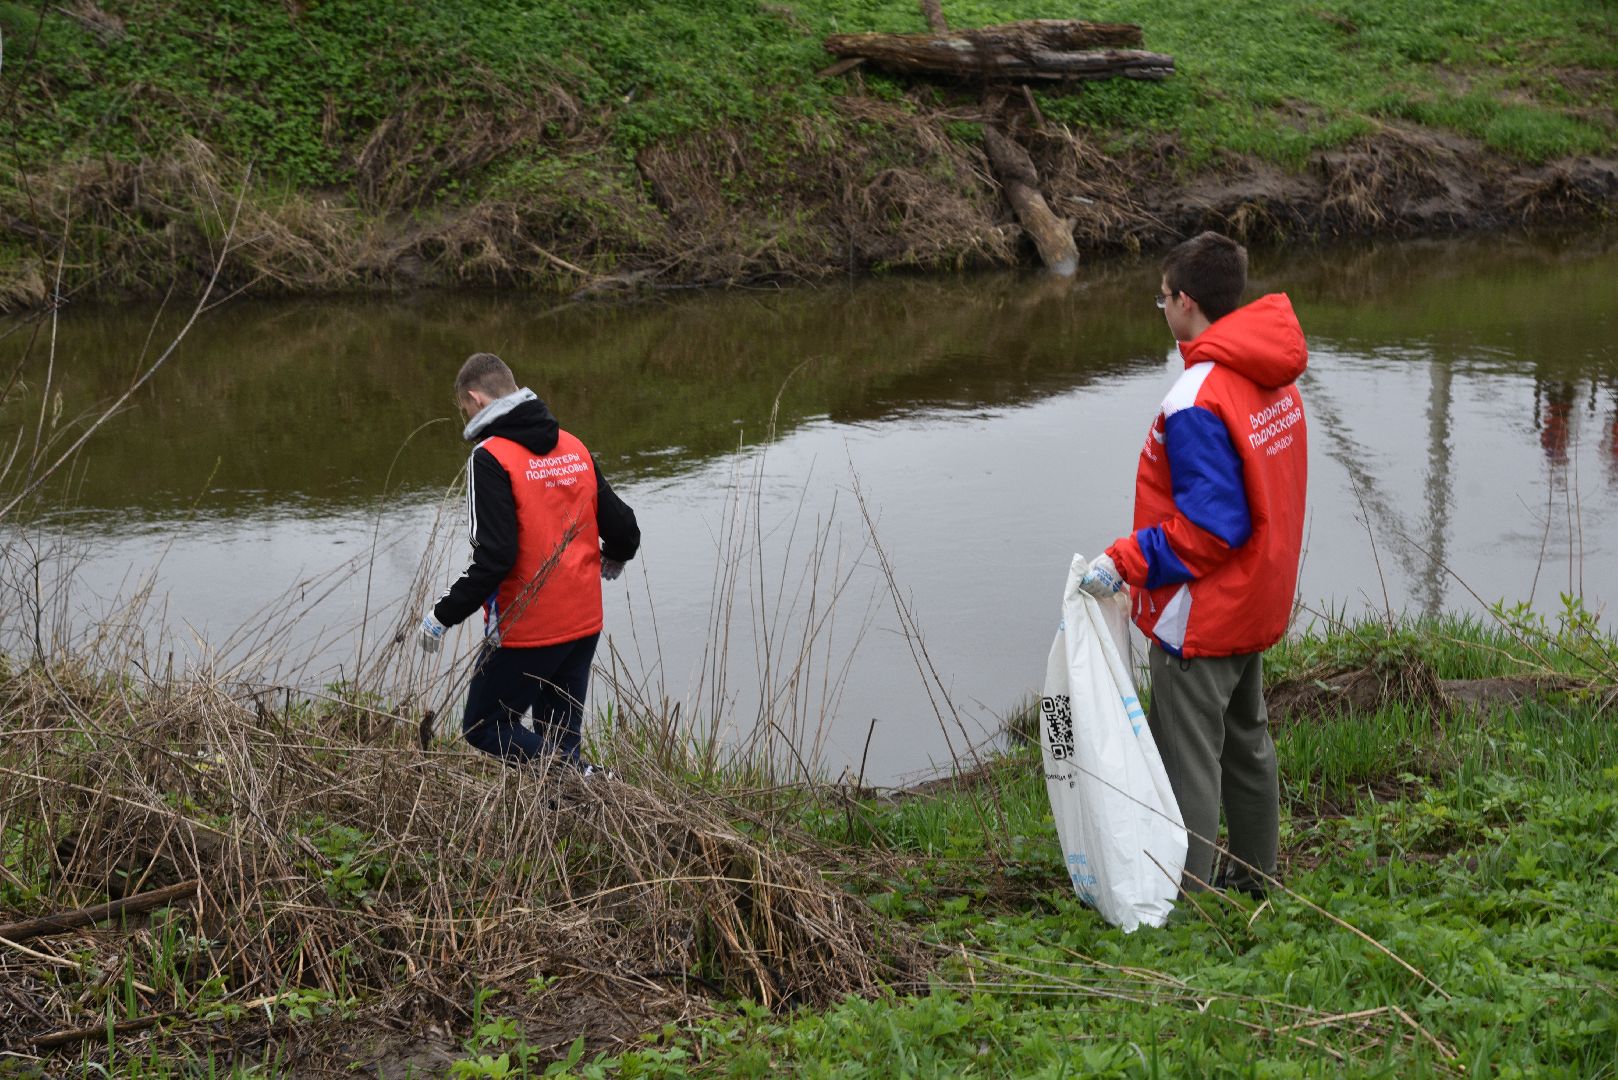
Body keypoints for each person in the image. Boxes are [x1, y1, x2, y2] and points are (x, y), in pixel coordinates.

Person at [1078, 231, 1308, 897]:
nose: (1163, 309)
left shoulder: (1196, 397)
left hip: (1201, 613)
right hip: (1257, 595)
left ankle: (1187, 902)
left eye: (1162, 299)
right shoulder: (1272, 376)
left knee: (1188, 765)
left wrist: (1126, 560)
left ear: (1185, 302)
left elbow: (1210, 528)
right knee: (1247, 742)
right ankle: (1259, 878)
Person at [419, 352, 640, 772]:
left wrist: (441, 616)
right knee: (558, 740)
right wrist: (615, 556)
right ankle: (572, 816)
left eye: (463, 408)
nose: (464, 414)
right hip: (583, 623)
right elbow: (625, 527)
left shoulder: (490, 457)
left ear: (476, 400)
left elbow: (495, 558)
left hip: (528, 630)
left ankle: (590, 777)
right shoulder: (573, 447)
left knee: (485, 727)